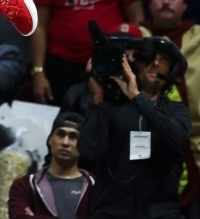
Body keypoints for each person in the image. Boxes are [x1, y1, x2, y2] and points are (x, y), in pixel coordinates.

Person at [78, 37, 191, 218]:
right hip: (111, 211)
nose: (156, 63)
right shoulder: (109, 107)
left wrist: (138, 97)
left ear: (171, 72)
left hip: (161, 212)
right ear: (135, 65)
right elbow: (89, 151)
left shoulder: (176, 110)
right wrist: (98, 98)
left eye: (164, 61)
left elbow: (177, 137)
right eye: (151, 58)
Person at [142, 0, 200, 217]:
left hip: (197, 147)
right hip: (145, 143)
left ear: (184, 4)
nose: (165, 2)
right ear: (149, 3)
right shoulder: (135, 37)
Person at [7, 112, 94, 219]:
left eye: (73, 137)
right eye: (60, 134)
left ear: (84, 144)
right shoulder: (24, 185)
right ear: (50, 140)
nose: (65, 142)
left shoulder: (95, 186)